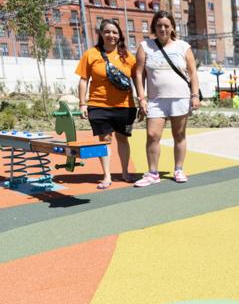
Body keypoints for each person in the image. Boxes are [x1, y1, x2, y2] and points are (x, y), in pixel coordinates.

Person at [134, 10, 201, 187]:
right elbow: (139, 74)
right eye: (159, 25)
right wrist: (141, 98)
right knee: (152, 134)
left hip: (180, 98)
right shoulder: (145, 46)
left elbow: (193, 73)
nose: (162, 29)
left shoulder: (183, 46)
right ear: (154, 27)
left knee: (179, 135)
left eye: (166, 25)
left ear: (172, 27)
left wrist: (195, 95)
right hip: (155, 100)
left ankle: (178, 169)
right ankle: (153, 173)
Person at [76, 18, 137, 189]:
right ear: (101, 34)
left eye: (115, 32)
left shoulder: (128, 57)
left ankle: (125, 172)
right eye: (107, 31)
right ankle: (107, 175)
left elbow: (138, 78)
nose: (111, 35)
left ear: (119, 35)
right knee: (104, 140)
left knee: (123, 139)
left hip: (125, 106)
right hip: (98, 104)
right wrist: (82, 103)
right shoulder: (91, 54)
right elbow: (83, 80)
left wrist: (142, 99)